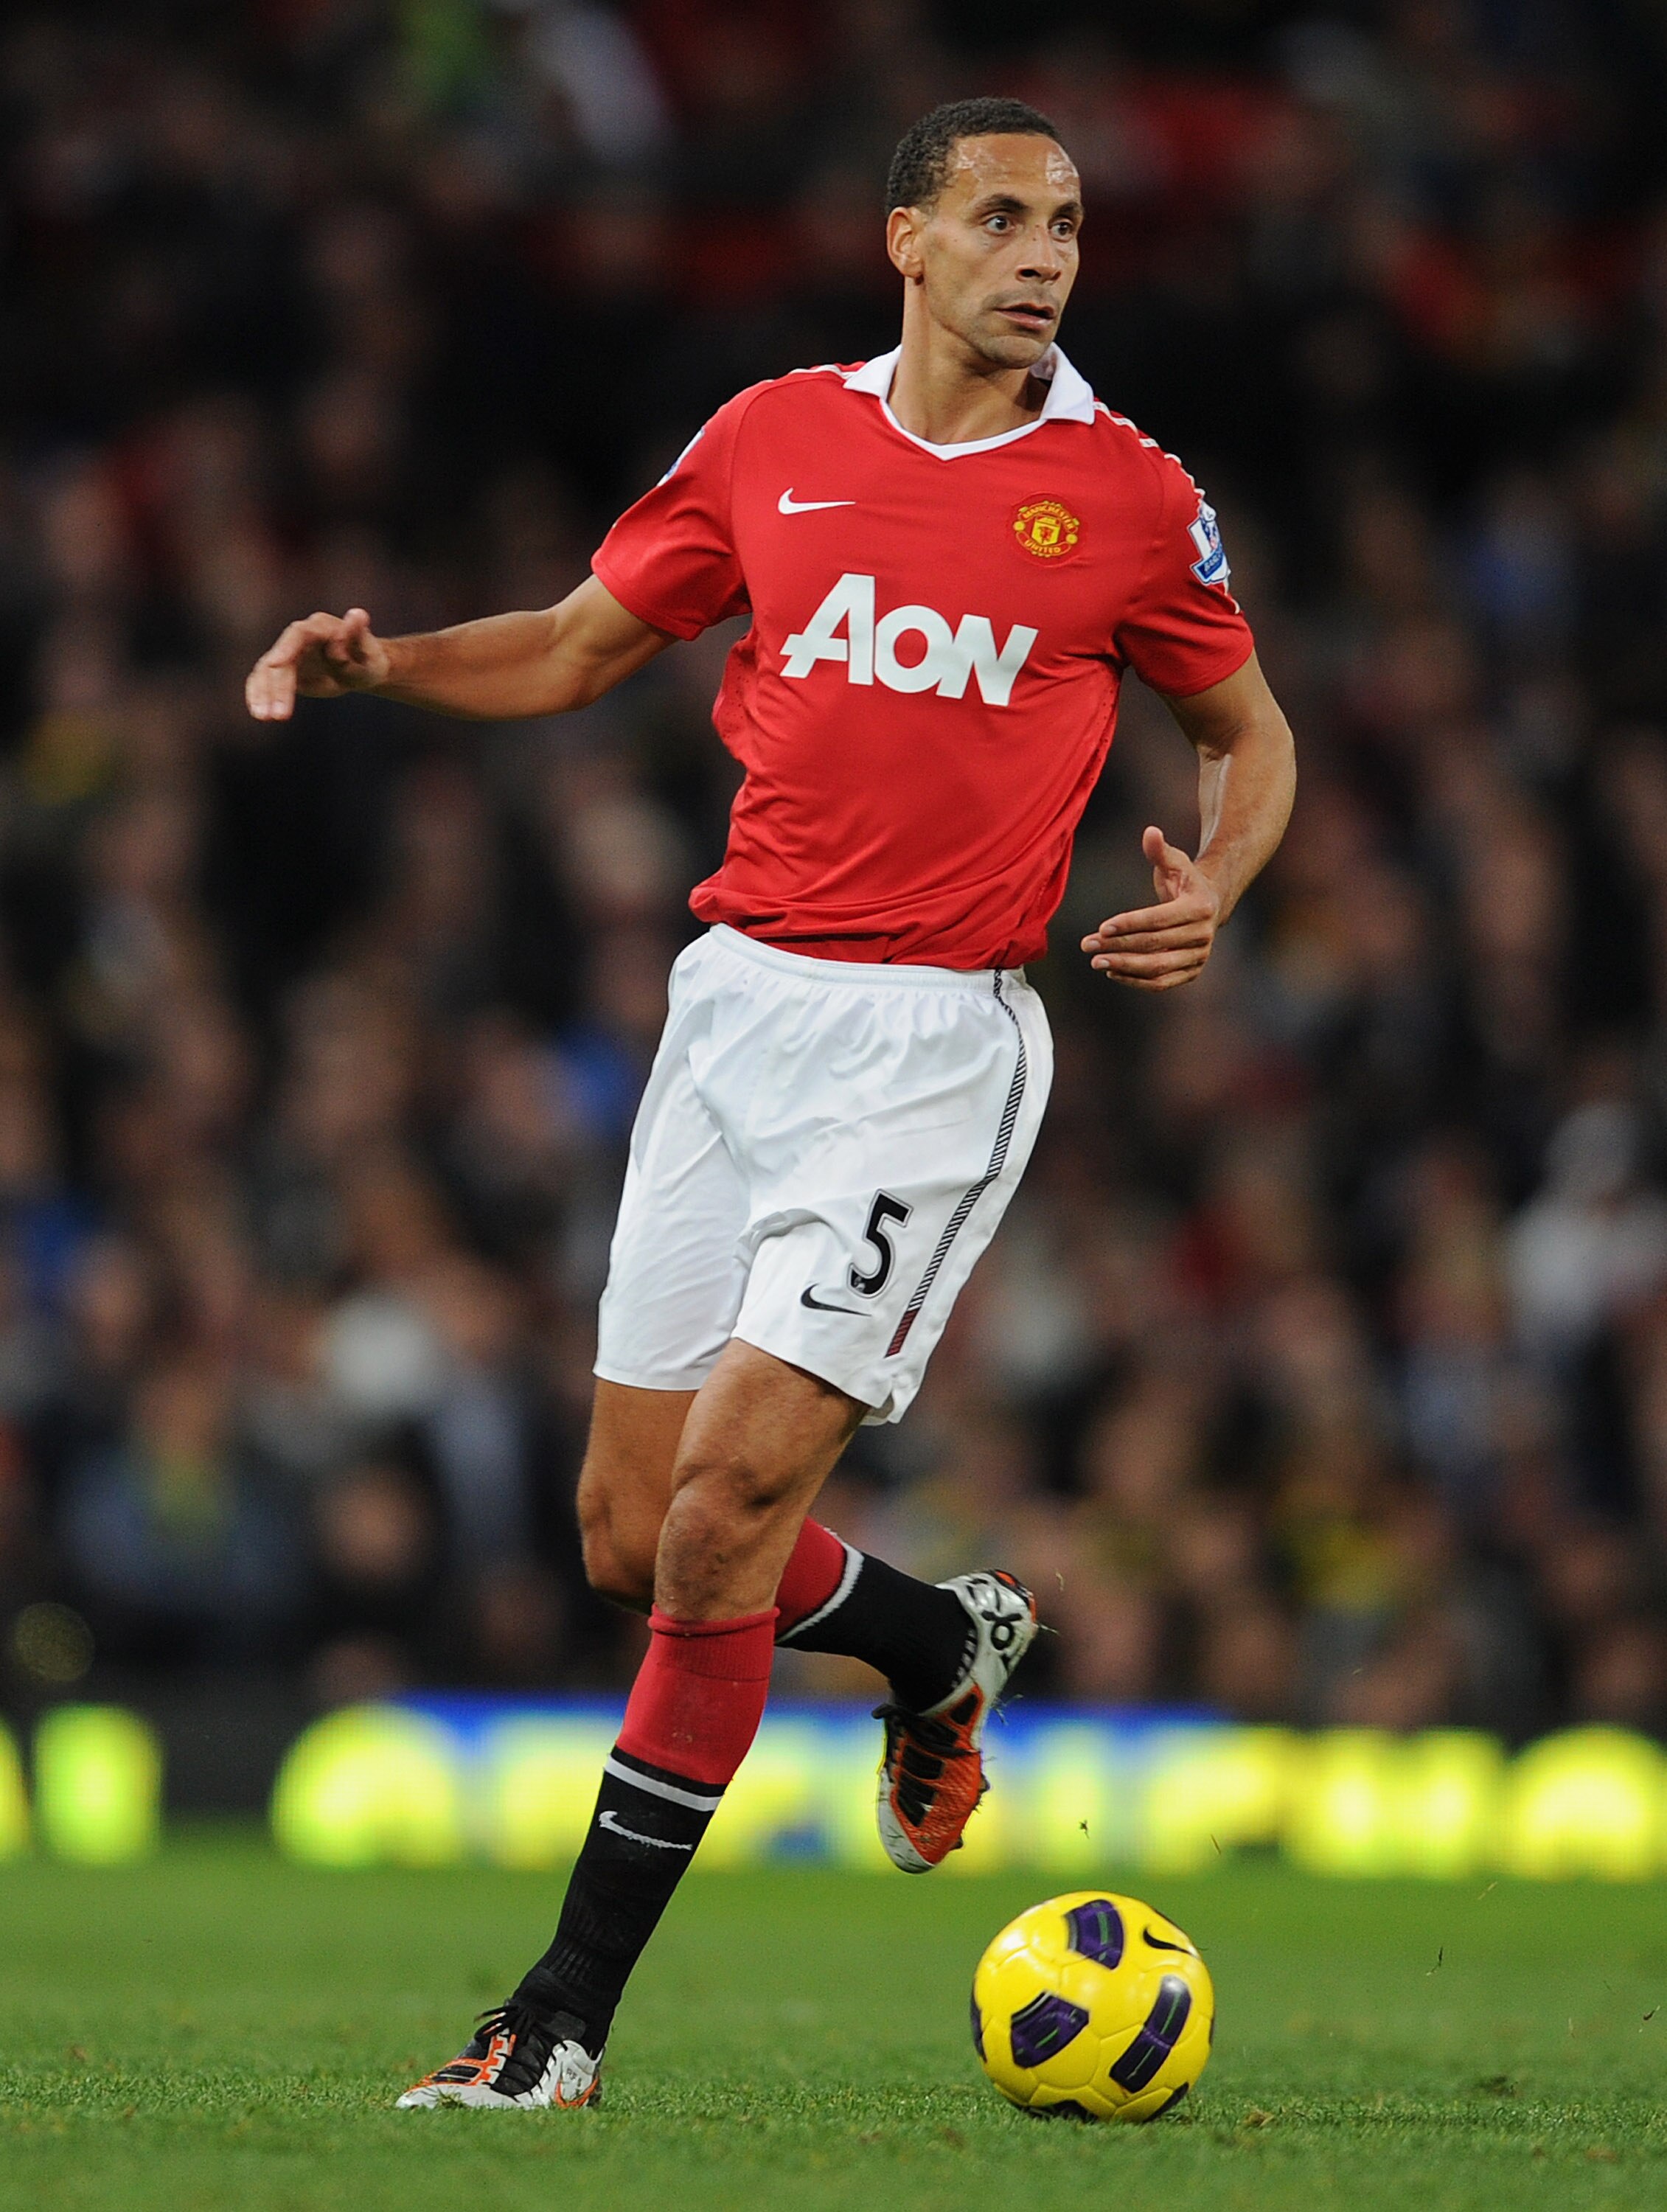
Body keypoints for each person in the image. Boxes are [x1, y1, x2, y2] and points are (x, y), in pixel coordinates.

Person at [245, 96, 1296, 2111]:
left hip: (932, 1047)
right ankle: (930, 1646)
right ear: (904, 239)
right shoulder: (770, 443)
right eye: (1000, 217)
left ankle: (551, 2026)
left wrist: (1221, 885)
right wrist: (384, 668)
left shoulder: (1130, 497)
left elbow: (1248, 733)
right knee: (635, 1542)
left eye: (1068, 222)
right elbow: (570, 651)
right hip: (736, 1014)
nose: (1045, 254)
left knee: (730, 1508)